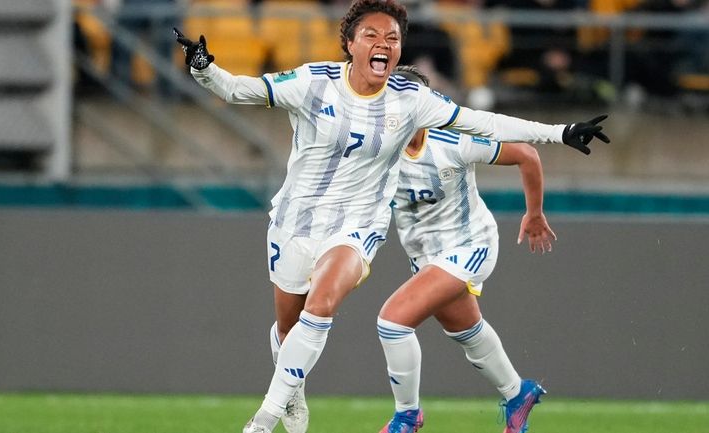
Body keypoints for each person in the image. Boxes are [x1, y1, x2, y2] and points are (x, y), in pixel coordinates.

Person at [174, 1, 609, 431]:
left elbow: (489, 126)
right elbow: (237, 90)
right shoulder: (323, 92)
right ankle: (515, 392)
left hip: (407, 235)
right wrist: (204, 69)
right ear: (349, 43)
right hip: (310, 226)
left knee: (361, 312)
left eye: (393, 38)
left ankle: (289, 420)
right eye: (372, 36)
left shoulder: (428, 115)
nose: (383, 44)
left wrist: (559, 134)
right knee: (303, 331)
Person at [376, 65, 588, 433]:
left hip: (469, 244)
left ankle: (407, 416)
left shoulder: (453, 138)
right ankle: (517, 393)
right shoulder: (376, 147)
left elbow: (526, 155)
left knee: (392, 322)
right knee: (465, 329)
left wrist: (534, 214)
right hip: (425, 256)